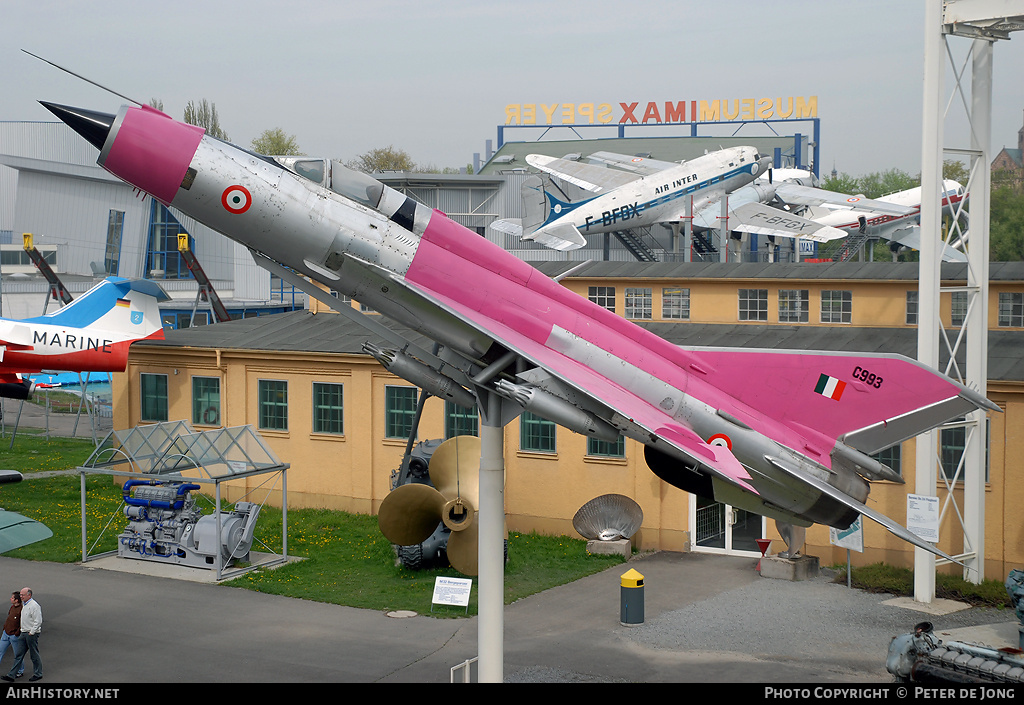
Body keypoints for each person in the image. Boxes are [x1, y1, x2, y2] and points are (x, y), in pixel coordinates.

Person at [2, 588, 40, 682]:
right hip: (23, 632)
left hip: (30, 634)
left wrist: (31, 632)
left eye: (23, 595)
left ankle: (38, 673)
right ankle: (11, 675)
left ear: (29, 595)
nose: (21, 596)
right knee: (19, 654)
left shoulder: (34, 606)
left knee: (34, 655)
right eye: (21, 595)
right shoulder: (24, 605)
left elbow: (38, 621)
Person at [0, 592, 24, 679]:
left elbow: (23, 623)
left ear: (16, 600)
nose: (10, 599)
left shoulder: (22, 610)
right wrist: (5, 628)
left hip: (14, 636)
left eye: (12, 598)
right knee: (0, 651)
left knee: (18, 655)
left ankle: (20, 671)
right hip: (6, 634)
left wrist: (17, 633)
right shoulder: (12, 607)